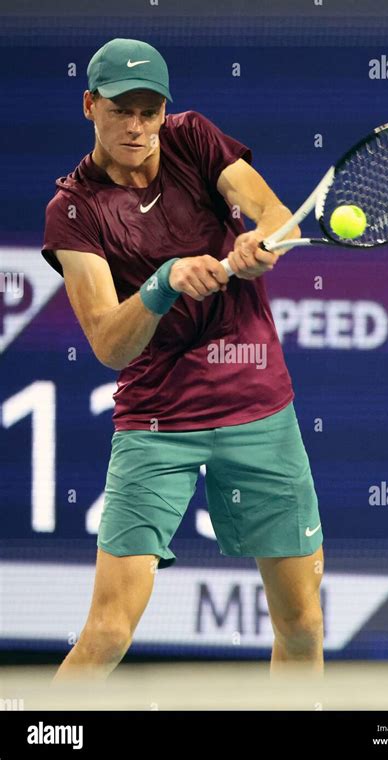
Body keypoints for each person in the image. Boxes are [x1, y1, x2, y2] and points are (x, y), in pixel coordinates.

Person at [42, 38, 324, 681]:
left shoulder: (195, 138)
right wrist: (162, 284)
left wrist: (263, 240)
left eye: (149, 110)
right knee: (108, 633)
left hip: (258, 410)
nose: (138, 126)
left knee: (303, 628)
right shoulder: (73, 212)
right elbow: (111, 344)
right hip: (156, 424)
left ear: (165, 110)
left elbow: (273, 211)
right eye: (121, 110)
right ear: (90, 105)